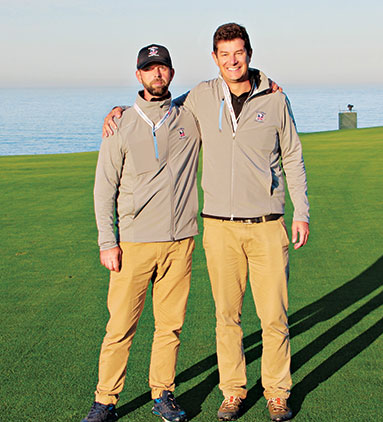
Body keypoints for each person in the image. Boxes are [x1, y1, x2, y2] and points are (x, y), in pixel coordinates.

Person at [104, 22, 309, 422]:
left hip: (268, 224)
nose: (233, 62)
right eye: (224, 55)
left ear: (249, 54)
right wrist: (122, 111)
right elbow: (162, 106)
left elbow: (294, 158)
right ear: (215, 59)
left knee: (274, 317)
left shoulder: (276, 100)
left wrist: (301, 212)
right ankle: (233, 391)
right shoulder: (201, 95)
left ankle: (277, 393)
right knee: (226, 317)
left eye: (239, 53)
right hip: (218, 226)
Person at [82, 44, 200, 422]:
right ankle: (106, 401)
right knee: (120, 327)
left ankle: (163, 394)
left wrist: (266, 81)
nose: (157, 74)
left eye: (162, 68)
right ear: (139, 76)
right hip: (132, 244)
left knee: (170, 326)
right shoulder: (120, 124)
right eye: (149, 69)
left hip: (179, 241)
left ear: (171, 72)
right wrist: (107, 241)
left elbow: (226, 86)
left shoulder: (188, 116)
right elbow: (104, 188)